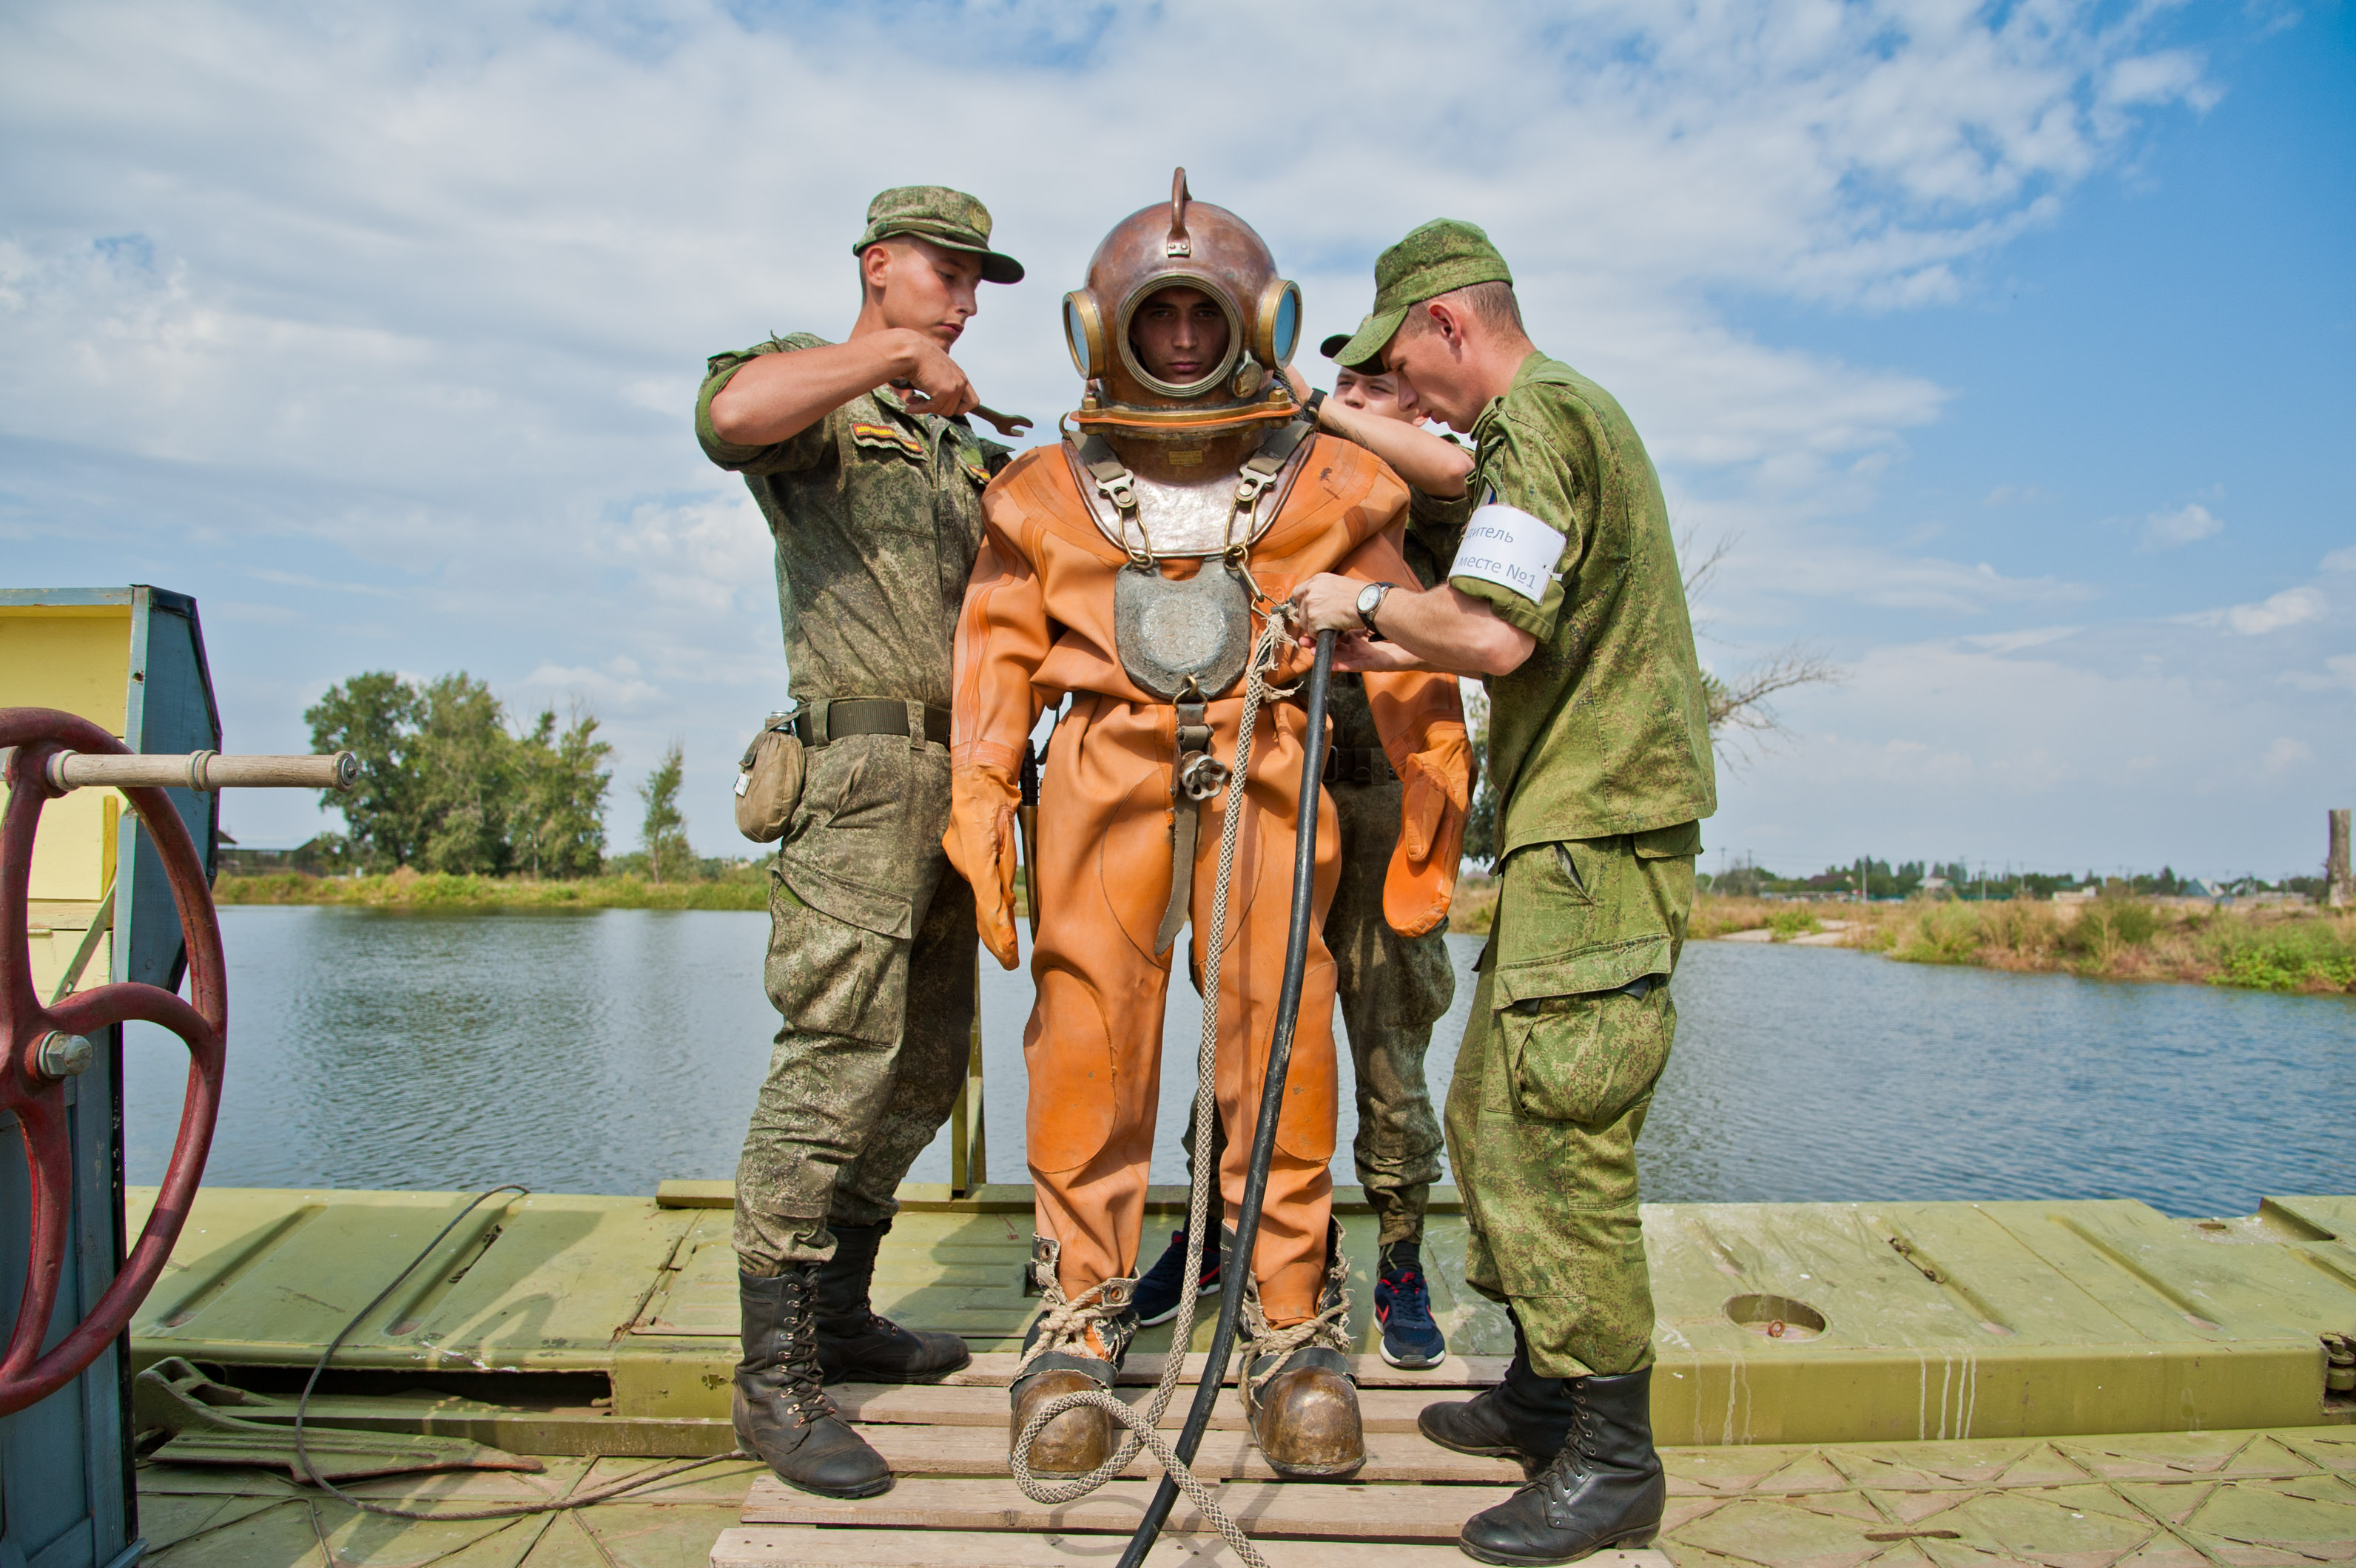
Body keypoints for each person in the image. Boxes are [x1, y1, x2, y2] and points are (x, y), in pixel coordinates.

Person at [944, 172, 1472, 1482]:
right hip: (1100, 781)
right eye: (1160, 318)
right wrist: (981, 821)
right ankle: (1078, 1322)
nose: (1182, 343)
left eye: (1201, 318)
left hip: (1269, 775)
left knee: (1280, 1045)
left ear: (1263, 321)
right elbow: (992, 664)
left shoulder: (1337, 483)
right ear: (1101, 329)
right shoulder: (1043, 492)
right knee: (1088, 1046)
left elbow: (1410, 662)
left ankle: (1289, 1326)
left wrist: (1429, 822)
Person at [1288, 219, 1715, 1564]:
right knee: (1488, 1111)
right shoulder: (1562, 416)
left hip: (1601, 837)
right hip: (1570, 837)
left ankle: (1612, 1456)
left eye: (1402, 360)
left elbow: (1489, 628)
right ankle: (1544, 1385)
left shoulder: (1538, 422)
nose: (1403, 390)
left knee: (1559, 1138)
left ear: (1452, 327)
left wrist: (1352, 608)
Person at [693, 185, 1025, 1501]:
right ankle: (773, 1381)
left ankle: (842, 1313)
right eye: (945, 271)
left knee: (926, 1063)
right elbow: (727, 421)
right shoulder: (817, 396)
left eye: (979, 280)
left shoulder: (955, 444)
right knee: (835, 1053)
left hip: (966, 779)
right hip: (862, 770)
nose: (963, 297)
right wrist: (896, 359)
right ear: (879, 266)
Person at [1130, 346, 1475, 1371]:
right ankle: (1219, 1235)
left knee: (1387, 1033)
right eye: (1344, 387)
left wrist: (1342, 418)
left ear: (1413, 401)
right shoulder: (1276, 486)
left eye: (1377, 390)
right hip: (1272, 784)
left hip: (1383, 797)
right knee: (1242, 1020)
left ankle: (1401, 1252)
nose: (1347, 408)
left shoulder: (1435, 488)